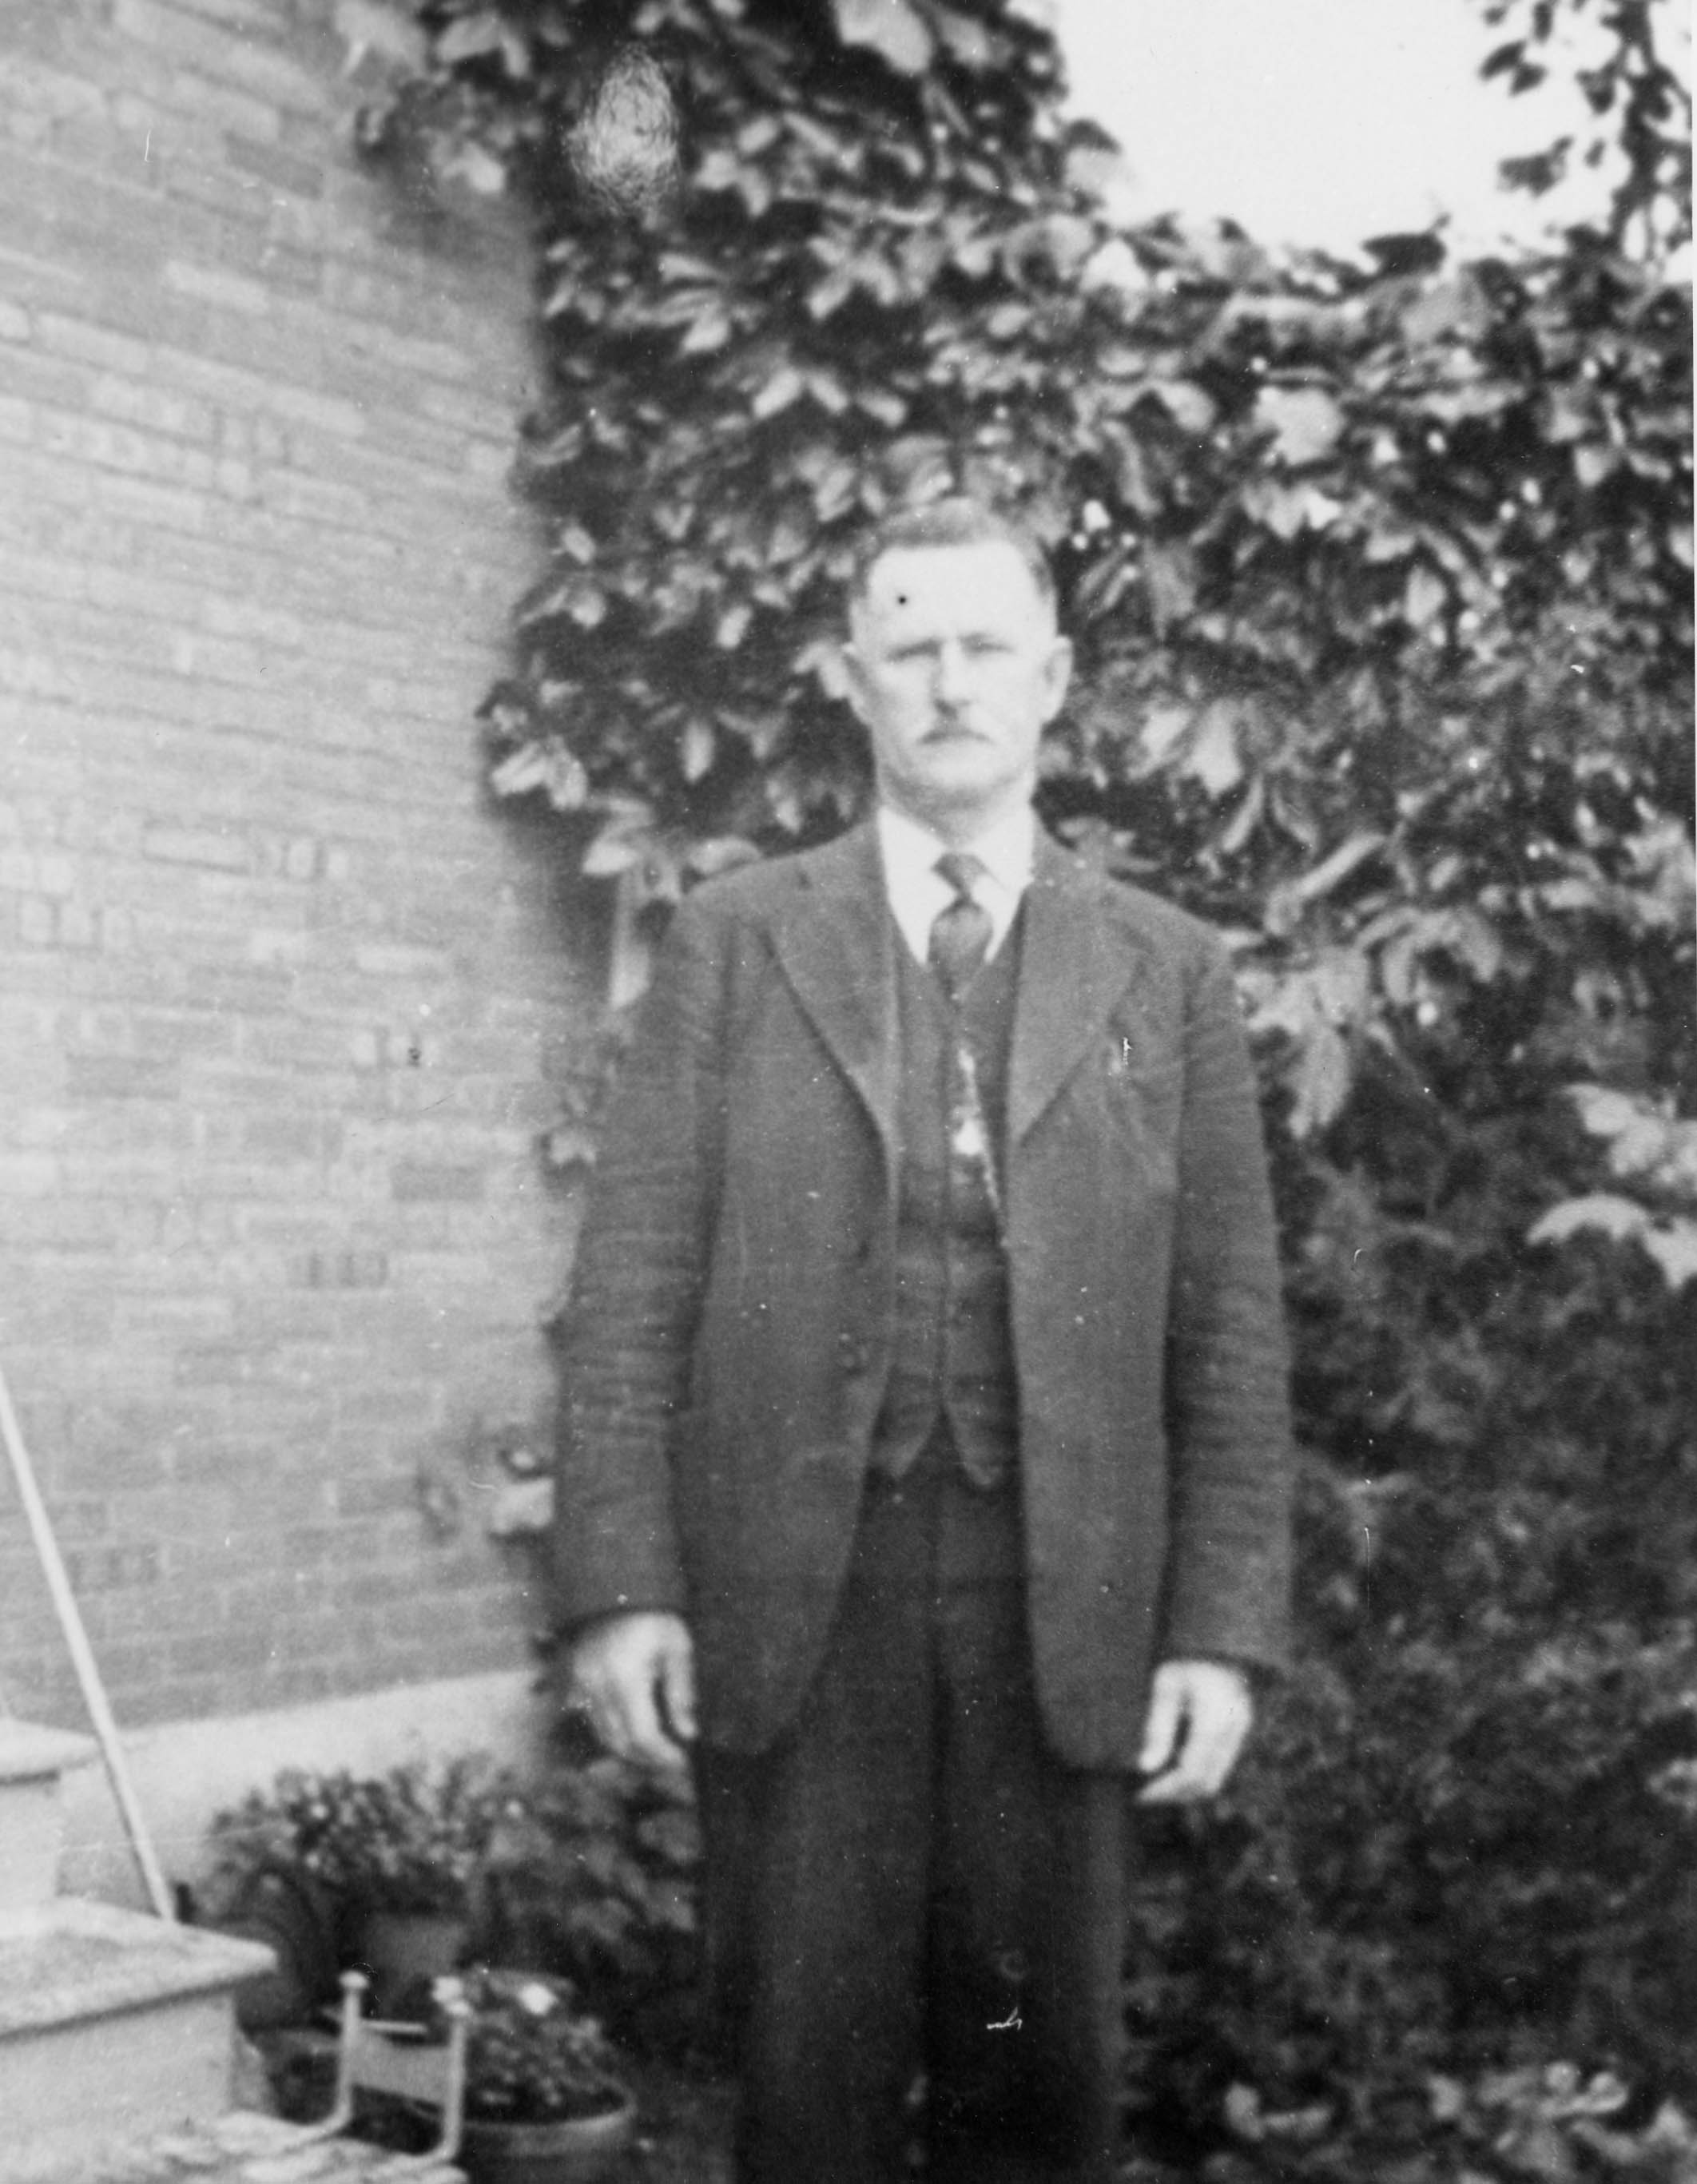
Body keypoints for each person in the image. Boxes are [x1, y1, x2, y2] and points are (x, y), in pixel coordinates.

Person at [552, 496, 1293, 2184]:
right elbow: (634, 1281)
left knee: (1040, 2094)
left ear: (1055, 678)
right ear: (856, 679)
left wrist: (1220, 1629)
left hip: (1067, 1600)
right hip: (802, 1598)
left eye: (985, 646)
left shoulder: (1168, 967)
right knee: (802, 2091)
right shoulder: (738, 937)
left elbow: (1229, 1325)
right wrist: (621, 1586)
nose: (951, 682)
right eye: (913, 649)